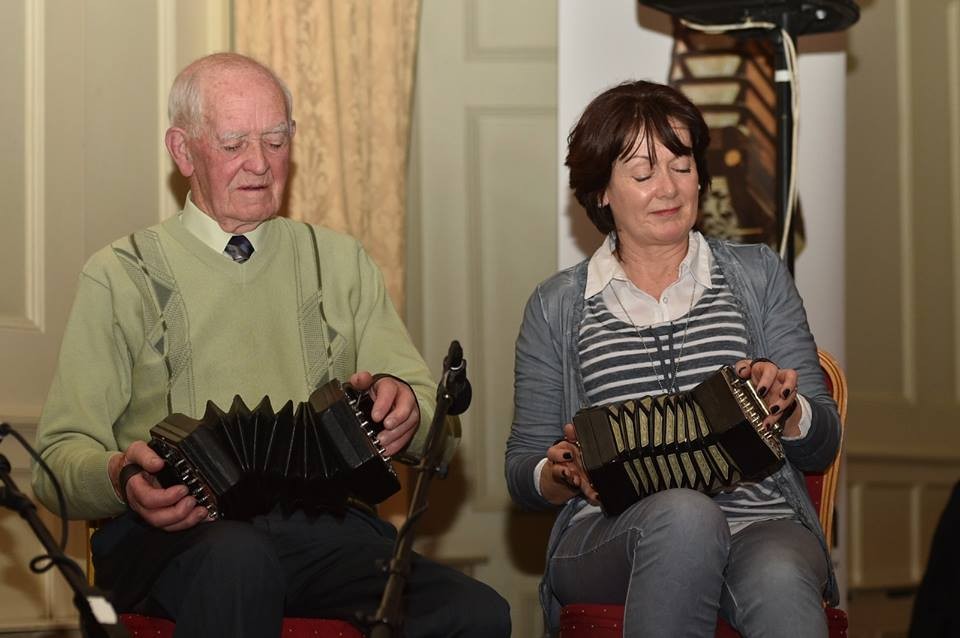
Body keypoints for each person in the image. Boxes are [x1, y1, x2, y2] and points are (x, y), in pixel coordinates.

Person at [32, 52, 510, 638]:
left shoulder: (338, 261)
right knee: (239, 561)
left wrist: (408, 410)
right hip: (170, 536)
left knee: (477, 612)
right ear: (183, 151)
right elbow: (57, 455)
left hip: (322, 531)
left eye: (276, 140)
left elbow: (436, 422)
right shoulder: (119, 273)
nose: (260, 163)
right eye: (233, 144)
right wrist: (118, 477)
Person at [505, 80, 841, 637]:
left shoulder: (757, 275)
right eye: (642, 173)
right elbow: (522, 471)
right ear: (602, 192)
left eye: (681, 167)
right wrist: (561, 470)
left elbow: (823, 440)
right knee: (686, 514)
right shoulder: (557, 306)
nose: (667, 188)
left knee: (780, 575)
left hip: (759, 523)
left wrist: (790, 409)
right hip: (612, 532)